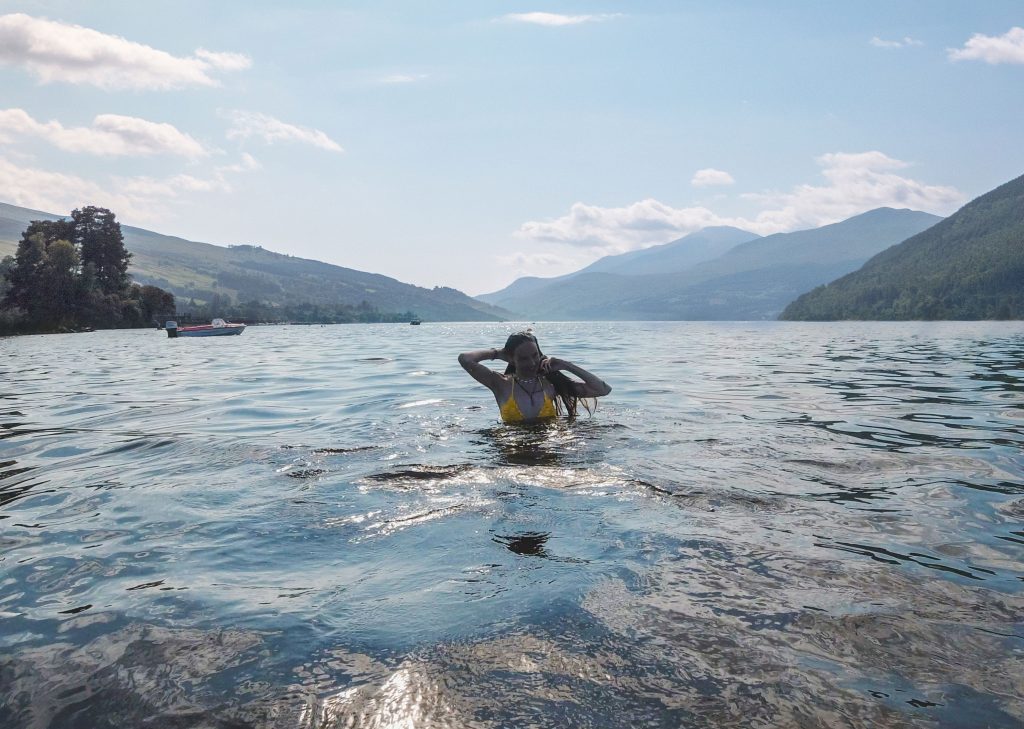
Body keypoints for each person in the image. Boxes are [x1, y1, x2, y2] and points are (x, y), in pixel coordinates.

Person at [458, 331, 611, 423]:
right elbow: (465, 359)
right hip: (513, 454)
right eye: (524, 358)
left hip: (549, 448)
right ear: (511, 359)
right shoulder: (500, 384)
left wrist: (566, 365)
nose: (531, 362)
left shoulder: (551, 384)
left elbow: (603, 389)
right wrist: (498, 353)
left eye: (534, 355)